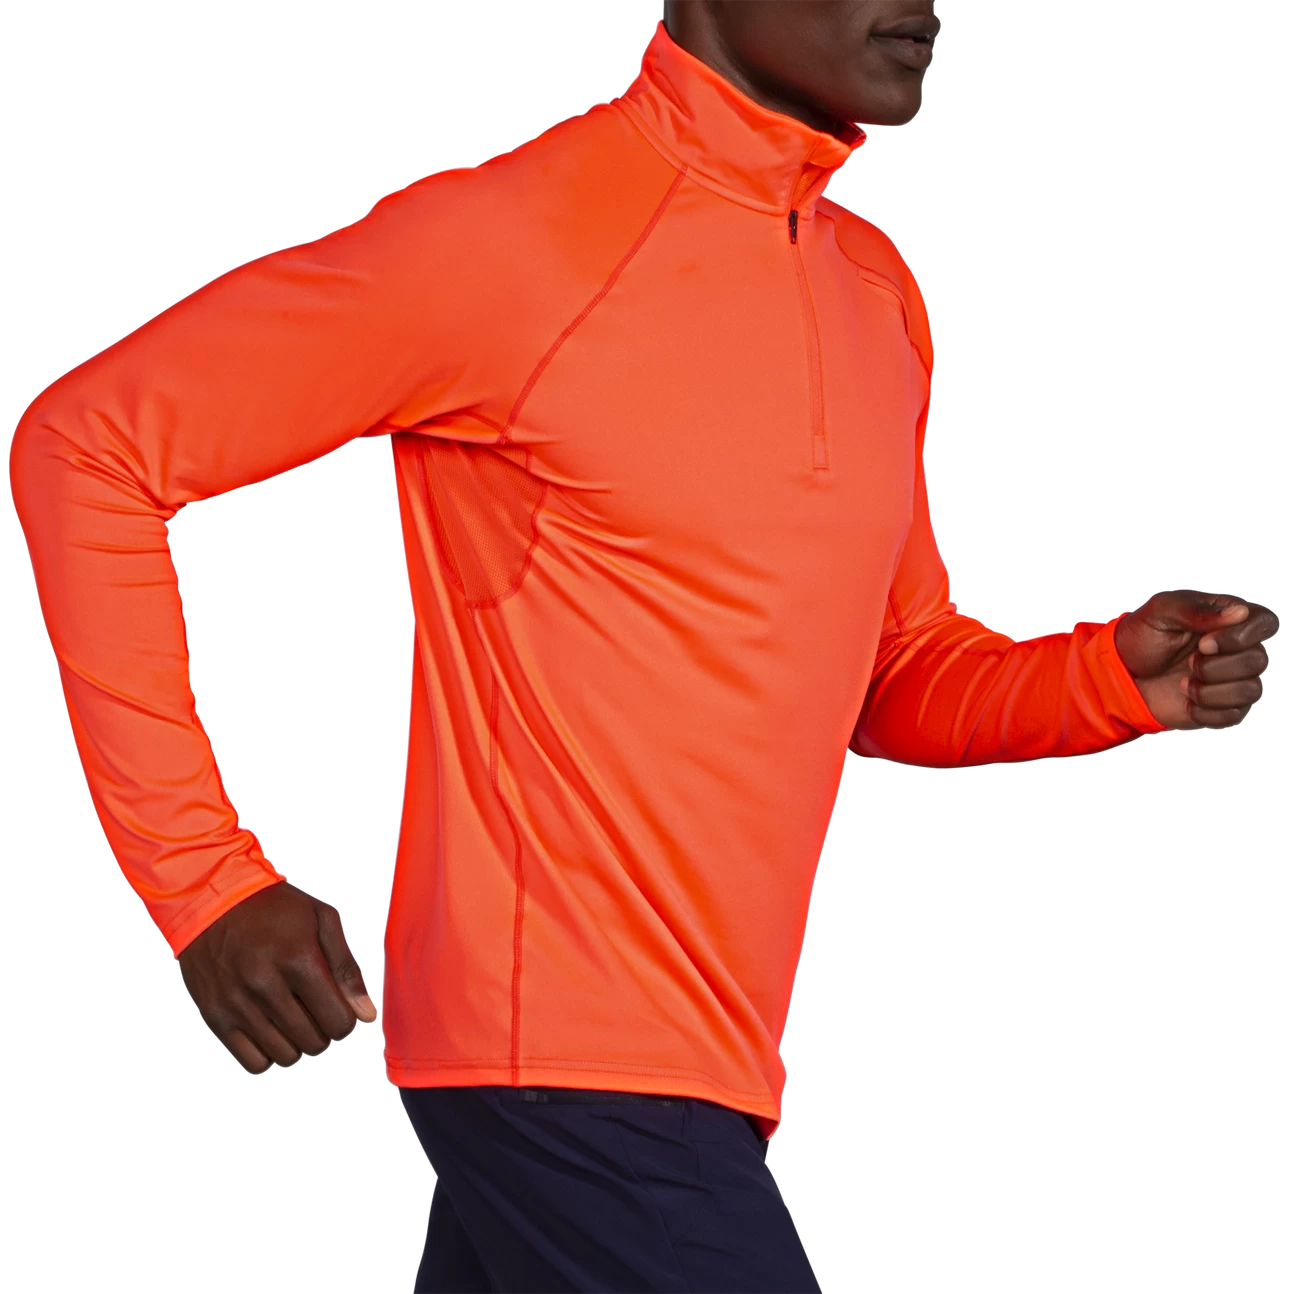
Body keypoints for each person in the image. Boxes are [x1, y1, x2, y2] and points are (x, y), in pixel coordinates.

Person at [9, 1, 1279, 1290]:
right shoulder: (517, 240)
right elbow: (88, 447)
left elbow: (892, 671)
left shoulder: (873, 289)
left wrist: (1103, 680)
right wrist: (205, 882)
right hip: (563, 1056)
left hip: (696, 1064)